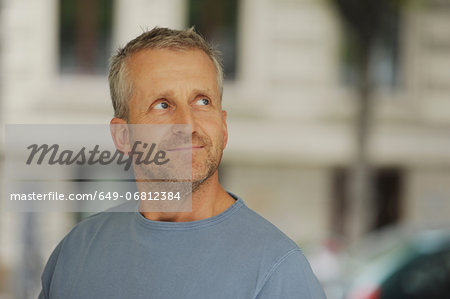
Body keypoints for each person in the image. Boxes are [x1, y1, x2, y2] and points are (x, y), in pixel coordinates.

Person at [38, 27, 326, 299]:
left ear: (223, 127)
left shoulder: (278, 272)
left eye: (202, 102)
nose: (188, 124)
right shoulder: (76, 251)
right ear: (123, 136)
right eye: (162, 105)